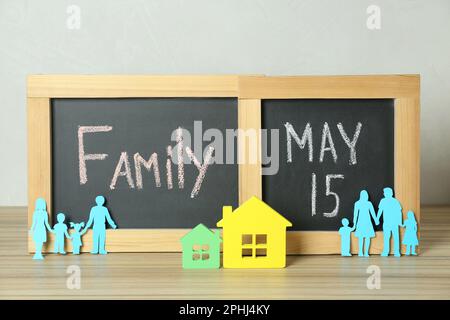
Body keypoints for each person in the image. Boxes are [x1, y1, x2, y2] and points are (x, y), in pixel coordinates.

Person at [376, 187, 403, 257]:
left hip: (394, 222)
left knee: (396, 237)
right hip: (387, 223)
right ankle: (385, 251)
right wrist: (377, 218)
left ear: (390, 193)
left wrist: (400, 221)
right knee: (386, 237)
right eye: (384, 193)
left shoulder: (395, 201)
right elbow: (380, 211)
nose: (384, 194)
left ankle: (397, 251)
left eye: (385, 192)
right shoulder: (383, 201)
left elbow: (399, 212)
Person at [352, 190, 378, 257]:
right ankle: (360, 251)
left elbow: (372, 213)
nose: (365, 196)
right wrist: (354, 224)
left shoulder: (369, 203)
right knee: (361, 237)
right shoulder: (357, 203)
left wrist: (375, 220)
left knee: (367, 237)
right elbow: (355, 215)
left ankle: (366, 252)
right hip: (360, 222)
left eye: (365, 195)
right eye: (364, 195)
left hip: (367, 222)